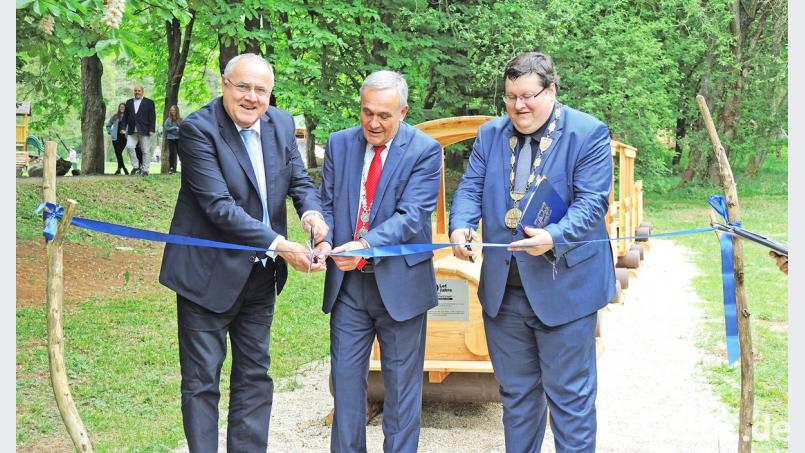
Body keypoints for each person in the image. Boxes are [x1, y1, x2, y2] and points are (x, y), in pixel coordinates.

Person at [158, 53, 328, 452]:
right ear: (224, 85)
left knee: (255, 376)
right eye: (243, 87)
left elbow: (299, 180)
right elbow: (219, 207)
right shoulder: (198, 130)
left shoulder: (282, 123)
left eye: (261, 90)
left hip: (260, 277)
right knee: (202, 381)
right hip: (206, 277)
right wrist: (283, 246)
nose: (252, 97)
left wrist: (313, 215)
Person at [449, 51, 615, 452]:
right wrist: (461, 225)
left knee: (570, 402)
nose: (518, 106)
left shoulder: (588, 133)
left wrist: (554, 236)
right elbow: (470, 188)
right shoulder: (490, 134)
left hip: (565, 291)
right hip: (504, 294)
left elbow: (593, 203)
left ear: (552, 91)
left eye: (528, 96)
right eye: (510, 97)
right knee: (517, 401)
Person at [318, 70, 442, 452]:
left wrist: (364, 245)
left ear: (402, 112)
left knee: (403, 390)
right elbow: (325, 204)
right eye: (366, 112)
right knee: (345, 384)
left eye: (384, 115)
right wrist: (321, 237)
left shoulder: (425, 150)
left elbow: (412, 216)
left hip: (400, 286)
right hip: (349, 288)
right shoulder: (339, 145)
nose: (373, 122)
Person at [122, 85, 156, 176]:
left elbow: (152, 117)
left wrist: (152, 129)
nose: (137, 92)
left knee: (145, 150)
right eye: (135, 90)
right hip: (132, 129)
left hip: (145, 130)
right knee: (129, 146)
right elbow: (125, 116)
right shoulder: (129, 102)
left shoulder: (149, 102)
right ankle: (136, 166)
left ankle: (145, 170)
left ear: (142, 91)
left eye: (139, 91)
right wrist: (123, 127)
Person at [106, 102, 129, 175]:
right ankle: (122, 169)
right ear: (119, 108)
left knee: (119, 153)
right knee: (118, 153)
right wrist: (110, 132)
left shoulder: (128, 117)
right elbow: (108, 126)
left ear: (125, 108)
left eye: (123, 107)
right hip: (115, 138)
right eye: (121, 107)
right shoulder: (115, 116)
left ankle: (120, 169)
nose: (122, 108)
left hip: (124, 138)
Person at [164, 105, 181, 174]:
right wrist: (174, 128)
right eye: (171, 110)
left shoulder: (180, 119)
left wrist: (179, 129)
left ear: (176, 111)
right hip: (170, 138)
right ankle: (171, 168)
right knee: (171, 153)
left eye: (173, 110)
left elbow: (182, 128)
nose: (172, 111)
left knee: (180, 152)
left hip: (178, 138)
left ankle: (183, 166)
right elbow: (166, 128)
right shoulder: (168, 120)